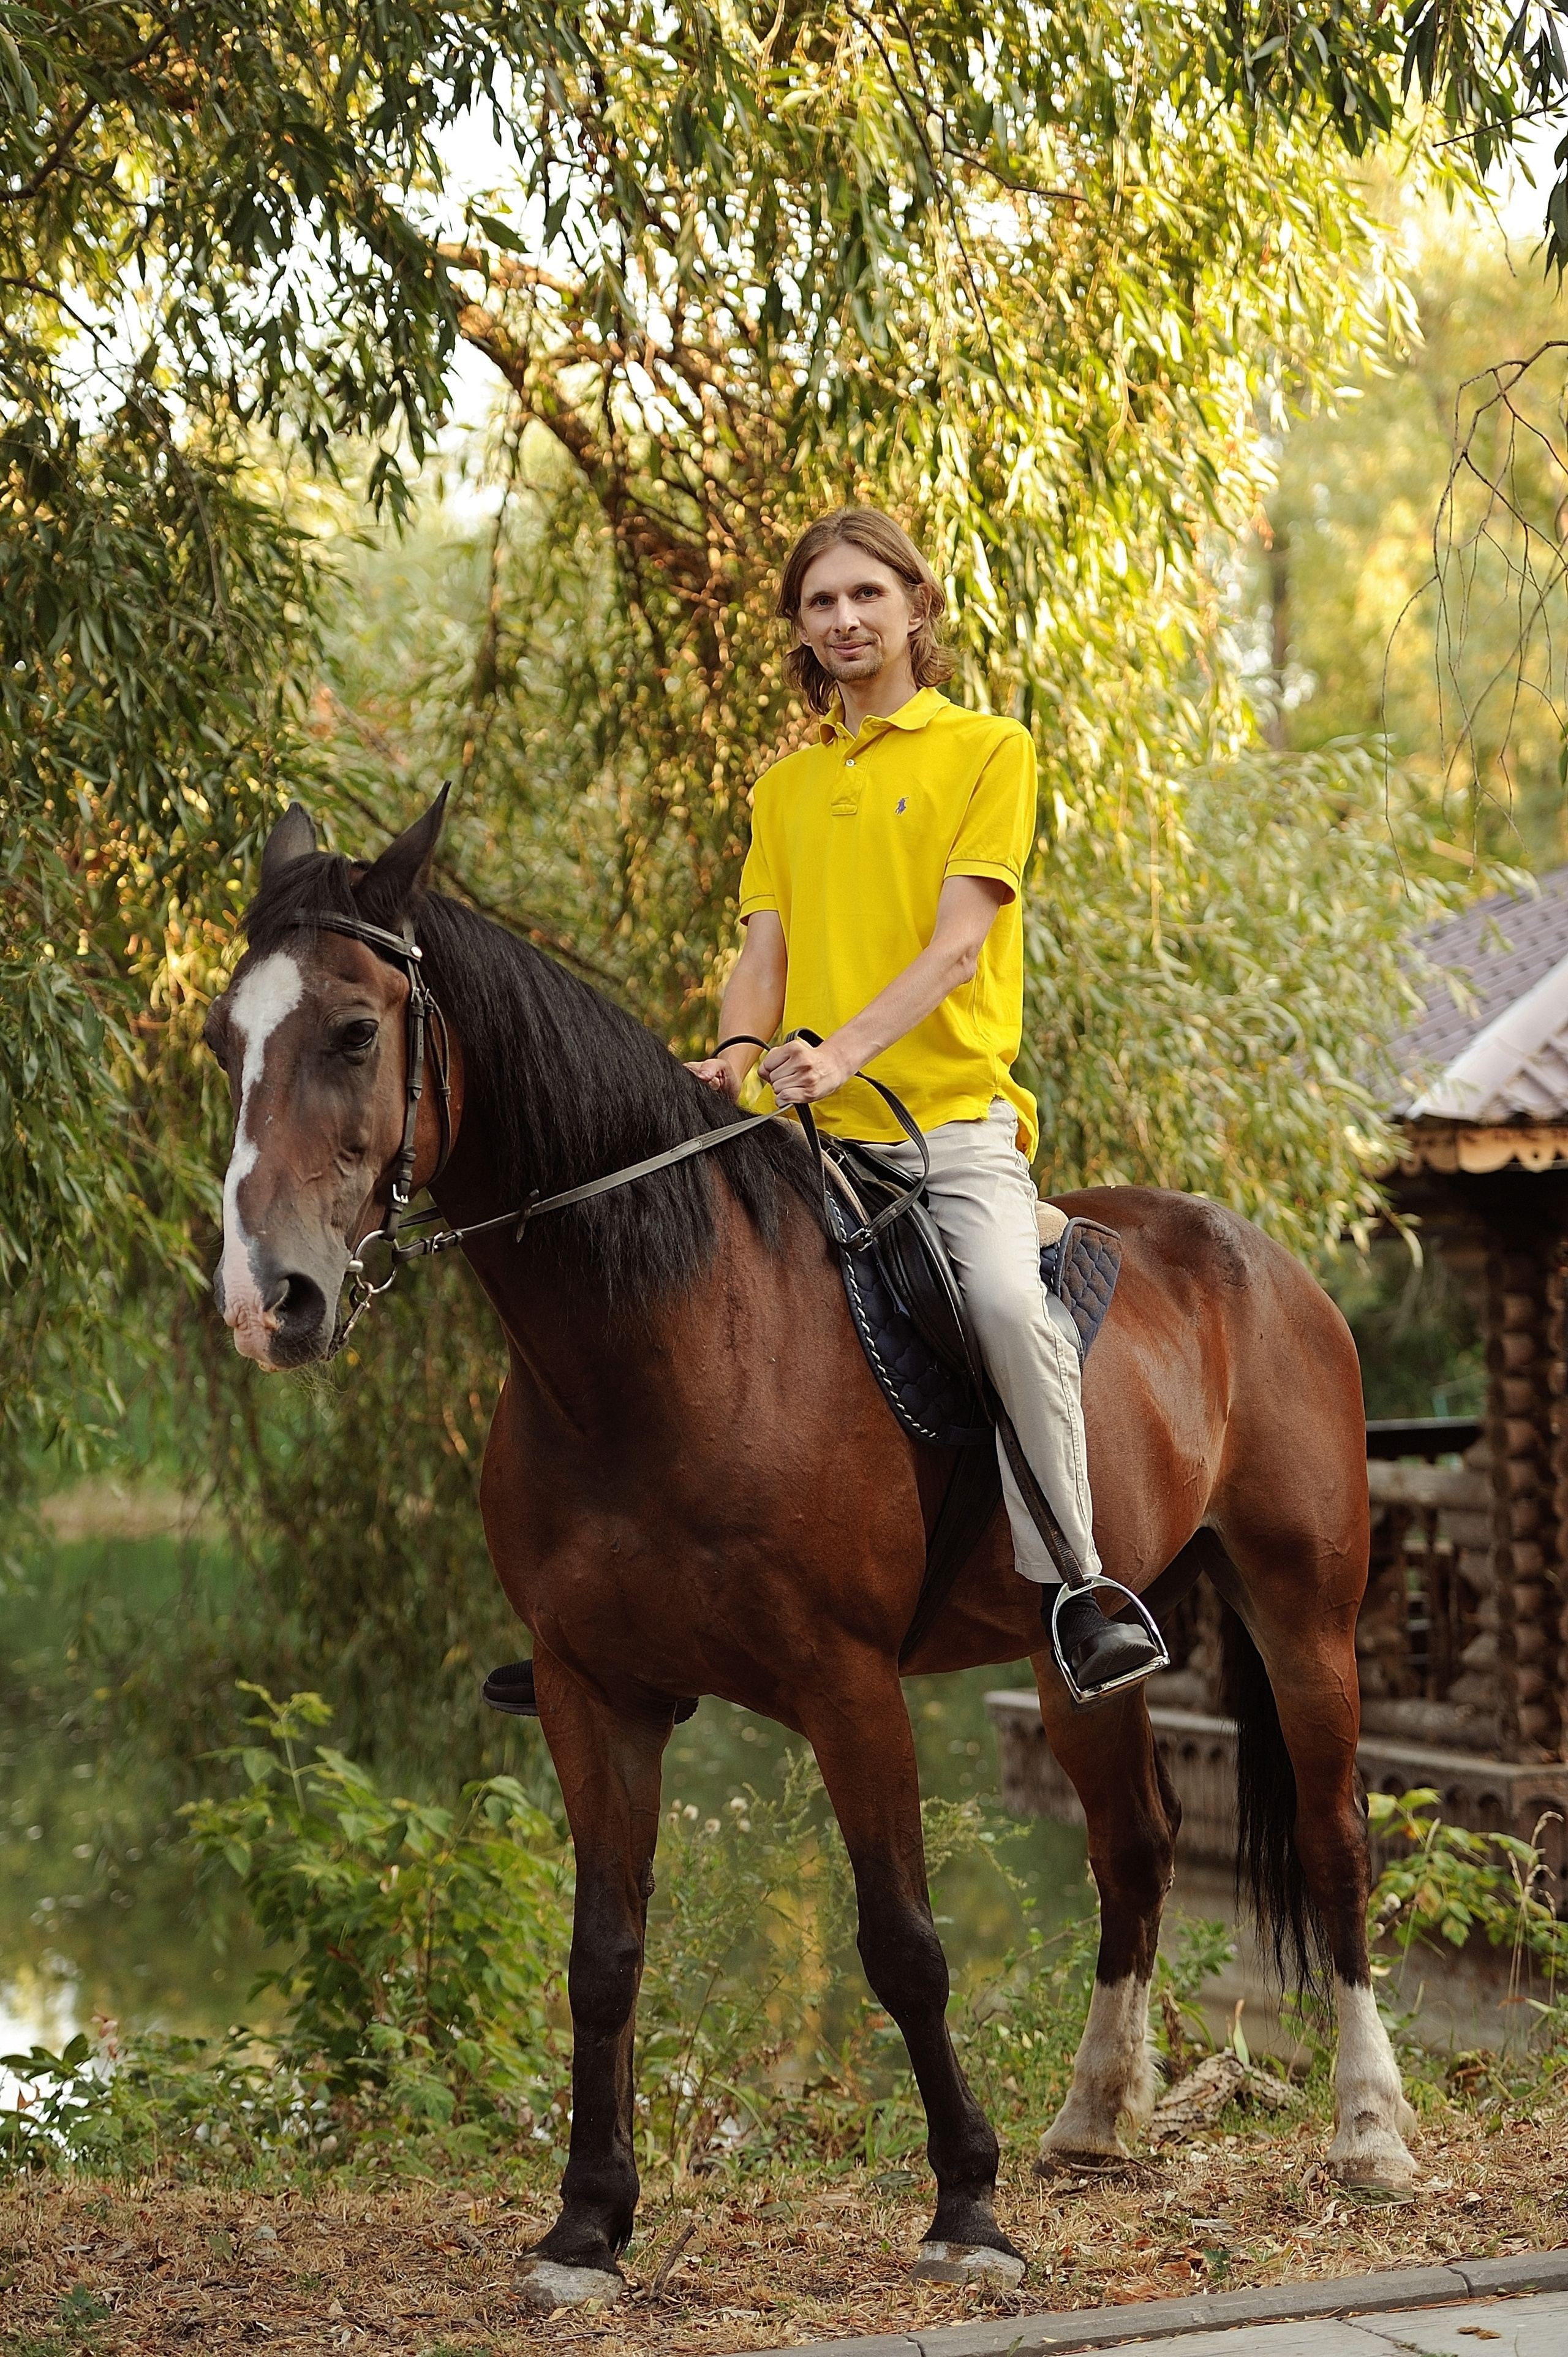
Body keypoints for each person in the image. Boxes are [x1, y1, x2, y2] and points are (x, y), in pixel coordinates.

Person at [687, 507, 1162, 1700]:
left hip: (946, 1125)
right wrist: (737, 1053)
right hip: (803, 1134)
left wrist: (839, 1050)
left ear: (915, 606)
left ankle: (1078, 1588)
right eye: (818, 603)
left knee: (1004, 1301)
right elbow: (762, 953)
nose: (843, 620)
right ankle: (645, 1609)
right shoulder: (784, 788)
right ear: (798, 629)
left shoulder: (985, 750)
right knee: (649, 1276)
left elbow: (959, 949)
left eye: (863, 595)